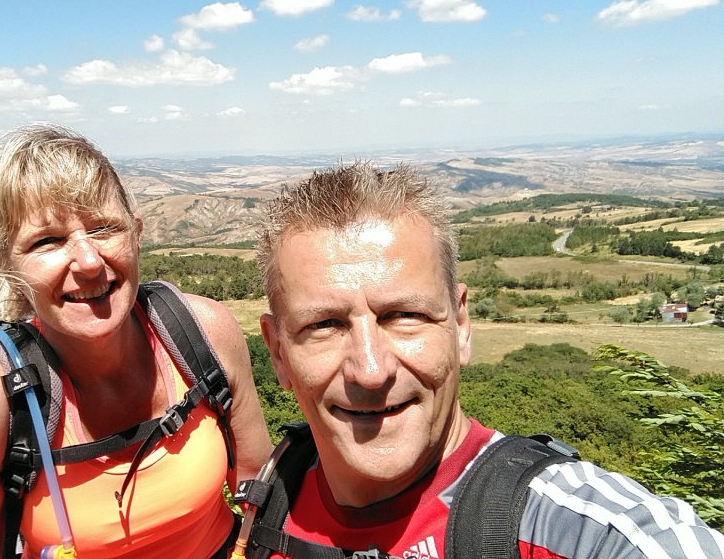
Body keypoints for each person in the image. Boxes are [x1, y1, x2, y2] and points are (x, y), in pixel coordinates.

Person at [252, 162, 724, 558]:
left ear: (461, 325)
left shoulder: (575, 530)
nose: (371, 371)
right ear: (277, 352)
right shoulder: (268, 501)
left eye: (405, 316)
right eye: (325, 325)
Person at [0, 123, 272, 558]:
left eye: (105, 228)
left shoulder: (204, 334)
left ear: (136, 234)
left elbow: (259, 493)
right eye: (47, 241)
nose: (88, 262)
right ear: (6, 263)